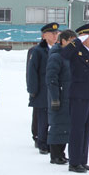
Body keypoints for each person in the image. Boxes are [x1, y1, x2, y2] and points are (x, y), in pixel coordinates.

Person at [61, 23, 89, 173]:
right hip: (78, 95)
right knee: (77, 129)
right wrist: (77, 40)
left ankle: (82, 160)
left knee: (87, 129)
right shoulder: (76, 51)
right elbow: (64, 54)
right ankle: (74, 162)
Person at [27, 22, 60, 155]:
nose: (55, 35)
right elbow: (32, 72)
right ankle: (42, 143)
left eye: (56, 33)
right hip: (42, 89)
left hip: (55, 89)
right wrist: (33, 90)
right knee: (43, 118)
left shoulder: (59, 49)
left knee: (54, 118)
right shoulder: (38, 51)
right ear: (44, 35)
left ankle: (52, 141)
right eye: (52, 33)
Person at [46, 29, 77, 165]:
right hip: (58, 96)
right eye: (71, 41)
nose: (73, 44)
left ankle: (61, 153)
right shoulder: (56, 56)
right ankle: (55, 154)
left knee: (65, 126)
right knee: (57, 125)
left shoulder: (69, 55)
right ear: (63, 41)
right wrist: (55, 98)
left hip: (68, 96)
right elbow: (51, 78)